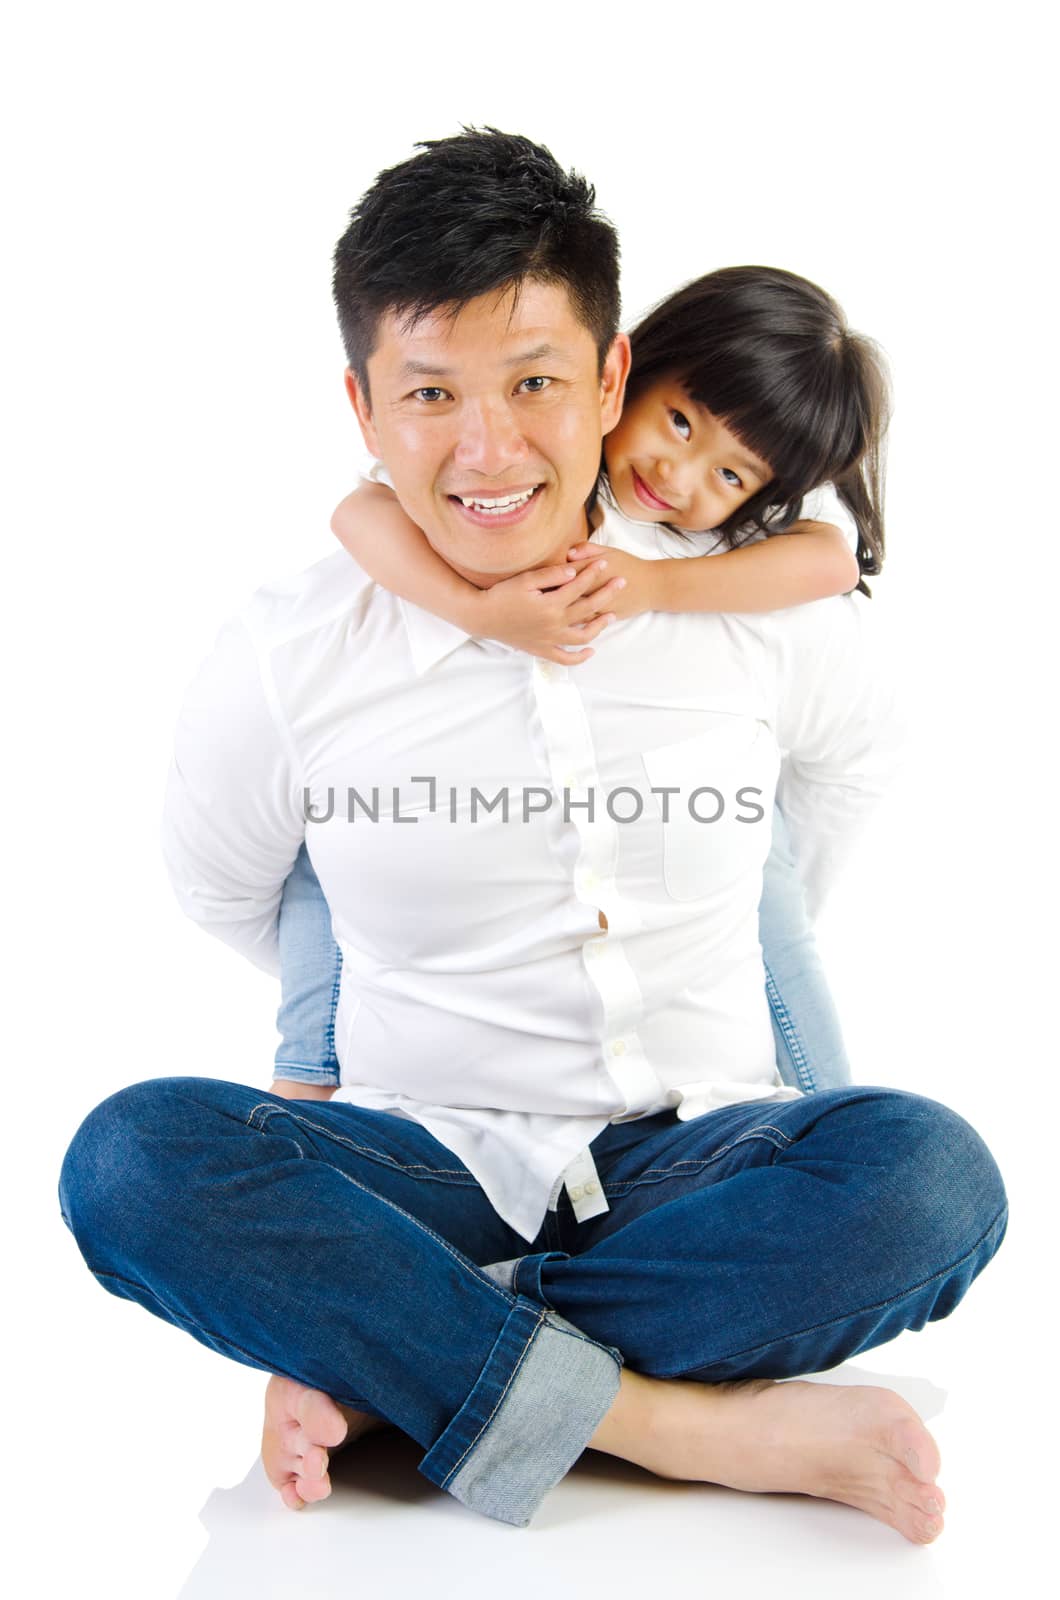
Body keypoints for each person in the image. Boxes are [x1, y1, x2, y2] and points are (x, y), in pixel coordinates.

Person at [57, 128, 1007, 1547]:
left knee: (932, 1181)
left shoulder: (746, 608)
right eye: (431, 393)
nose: (487, 447)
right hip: (424, 1168)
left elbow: (835, 799)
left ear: (614, 378)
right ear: (364, 410)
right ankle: (678, 1428)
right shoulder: (291, 651)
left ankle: (411, 1359)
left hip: (696, 1169)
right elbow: (229, 888)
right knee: (131, 1162)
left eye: (538, 384)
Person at [273, 262, 889, 1105]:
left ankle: (832, 1113)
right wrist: (474, 609)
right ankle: (304, 1076)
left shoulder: (704, 540)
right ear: (623, 374)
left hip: (691, 811)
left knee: (762, 869)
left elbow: (830, 558)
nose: (680, 477)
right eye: (677, 423)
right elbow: (358, 513)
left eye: (731, 477)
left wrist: (657, 587)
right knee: (345, 833)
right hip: (463, 826)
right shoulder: (547, 454)